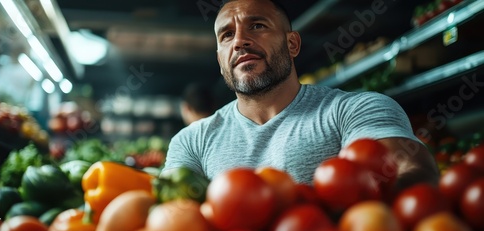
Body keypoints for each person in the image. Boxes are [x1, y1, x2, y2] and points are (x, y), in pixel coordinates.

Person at [163, 0, 439, 189]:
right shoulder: (192, 141)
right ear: (220, 58)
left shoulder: (357, 110)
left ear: (292, 43)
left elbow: (414, 175)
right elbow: (172, 222)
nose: (239, 41)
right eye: (226, 35)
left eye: (257, 26)